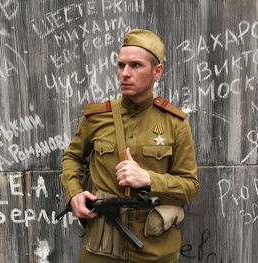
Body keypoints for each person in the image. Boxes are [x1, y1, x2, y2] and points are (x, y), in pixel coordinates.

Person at [61, 29, 199, 263]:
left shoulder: (174, 123)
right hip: (102, 245)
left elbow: (190, 185)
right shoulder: (97, 118)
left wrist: (148, 179)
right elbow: (72, 158)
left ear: (157, 72)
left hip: (155, 248)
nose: (125, 73)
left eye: (136, 65)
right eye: (121, 65)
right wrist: (74, 193)